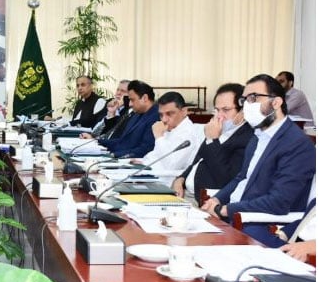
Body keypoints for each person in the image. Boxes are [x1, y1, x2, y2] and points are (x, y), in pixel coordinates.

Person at [201, 74, 315, 245]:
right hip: (236, 216)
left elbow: (279, 201)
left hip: (260, 224)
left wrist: (226, 209)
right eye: (244, 100)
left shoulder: (296, 143)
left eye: (253, 98)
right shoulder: (258, 137)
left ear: (276, 103)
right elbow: (242, 177)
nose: (247, 105)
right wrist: (216, 199)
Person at [172, 83, 254, 205]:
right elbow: (198, 160)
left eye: (226, 110)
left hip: (207, 201)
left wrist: (211, 141)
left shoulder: (247, 138)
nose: (219, 116)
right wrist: (180, 179)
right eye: (216, 110)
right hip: (185, 194)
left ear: (242, 110)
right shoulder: (219, 130)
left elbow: (226, 179)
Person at [133, 92, 204, 182]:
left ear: (184, 111)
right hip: (154, 177)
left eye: (169, 114)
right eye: (161, 115)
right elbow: (154, 156)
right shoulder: (171, 129)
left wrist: (159, 137)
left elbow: (171, 165)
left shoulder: (189, 134)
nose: (164, 119)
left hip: (168, 182)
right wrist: (142, 161)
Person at [82, 80, 158, 158]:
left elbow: (146, 149)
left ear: (145, 98)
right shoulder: (137, 114)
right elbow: (121, 141)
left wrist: (114, 155)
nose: (130, 104)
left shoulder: (156, 117)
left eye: (132, 100)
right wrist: (96, 141)